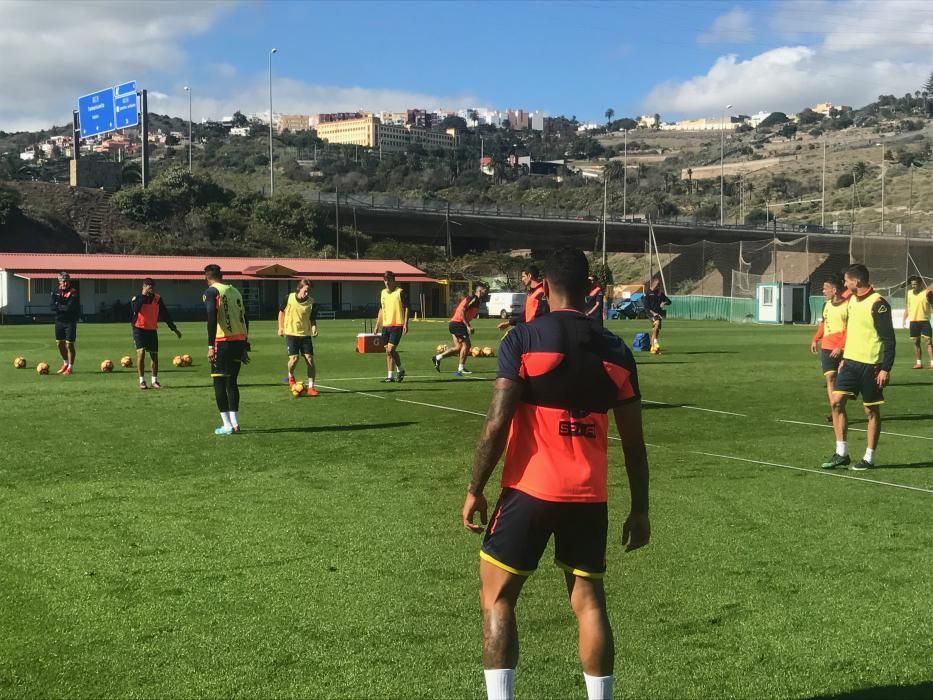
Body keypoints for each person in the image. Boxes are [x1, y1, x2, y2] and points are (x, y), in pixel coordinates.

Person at [462, 247, 650, 700]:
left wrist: (475, 488)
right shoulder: (618, 350)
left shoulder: (524, 339)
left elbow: (497, 420)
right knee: (589, 604)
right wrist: (640, 509)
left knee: (499, 597)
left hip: (530, 489)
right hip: (589, 495)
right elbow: (634, 443)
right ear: (590, 290)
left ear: (543, 288)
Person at [822, 264, 895, 471]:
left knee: (870, 411)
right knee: (836, 402)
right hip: (850, 363)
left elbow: (889, 340)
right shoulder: (852, 300)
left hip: (871, 366)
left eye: (846, 280)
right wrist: (844, 356)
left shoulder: (878, 304)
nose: (844, 284)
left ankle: (869, 457)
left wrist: (885, 368)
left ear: (857, 281)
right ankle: (841, 453)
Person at [203, 264, 249, 435]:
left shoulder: (212, 292)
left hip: (222, 342)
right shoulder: (234, 291)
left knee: (219, 383)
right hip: (238, 341)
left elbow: (211, 318)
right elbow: (244, 317)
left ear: (206, 277)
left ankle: (227, 425)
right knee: (232, 383)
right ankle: (235, 423)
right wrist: (244, 344)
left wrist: (210, 346)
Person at [130, 278, 182, 390]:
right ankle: (142, 381)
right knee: (141, 353)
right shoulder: (137, 299)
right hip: (139, 328)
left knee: (154, 355)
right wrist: (144, 296)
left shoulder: (157, 299)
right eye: (148, 286)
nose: (151, 288)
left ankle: (154, 381)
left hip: (151, 329)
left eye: (152, 286)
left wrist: (174, 329)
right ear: (143, 286)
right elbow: (135, 309)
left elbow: (165, 314)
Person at [809, 276, 848, 422]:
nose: (823, 291)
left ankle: (839, 406)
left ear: (835, 290)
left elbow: (851, 328)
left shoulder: (848, 305)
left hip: (844, 349)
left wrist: (841, 346)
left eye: (825, 288)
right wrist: (815, 338)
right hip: (827, 347)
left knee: (842, 381)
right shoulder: (826, 305)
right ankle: (835, 409)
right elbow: (824, 324)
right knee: (830, 378)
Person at [434, 282, 488, 377]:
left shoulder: (475, 300)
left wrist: (467, 324)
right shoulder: (473, 299)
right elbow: (462, 311)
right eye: (485, 290)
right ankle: (461, 369)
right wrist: (468, 326)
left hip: (455, 323)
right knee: (467, 345)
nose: (486, 292)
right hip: (458, 323)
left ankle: (438, 358)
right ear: (479, 291)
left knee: (458, 348)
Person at [278, 278, 319, 395]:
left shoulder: (311, 302)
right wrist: (280, 328)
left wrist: (314, 328)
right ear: (299, 288)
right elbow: (281, 312)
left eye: (308, 291)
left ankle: (311, 387)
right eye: (305, 290)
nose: (307, 293)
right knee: (294, 359)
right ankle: (290, 375)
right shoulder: (288, 298)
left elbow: (312, 319)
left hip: (305, 335)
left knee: (310, 360)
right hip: (291, 333)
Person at [373, 271, 409, 383]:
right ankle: (390, 376)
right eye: (385, 280)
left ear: (394, 281)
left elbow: (407, 308)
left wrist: (406, 324)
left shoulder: (400, 292)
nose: (387, 282)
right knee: (388, 352)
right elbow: (381, 310)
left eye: (389, 280)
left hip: (397, 325)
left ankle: (399, 369)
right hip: (386, 325)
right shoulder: (382, 293)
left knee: (391, 349)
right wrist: (377, 325)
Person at [496, 265, 548, 332]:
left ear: (529, 276)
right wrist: (509, 323)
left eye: (523, 276)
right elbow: (525, 315)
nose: (522, 279)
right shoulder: (532, 293)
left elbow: (543, 316)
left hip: (537, 333)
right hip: (531, 331)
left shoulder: (541, 293)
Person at [50, 271, 80, 375]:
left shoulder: (74, 292)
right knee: (59, 344)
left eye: (67, 281)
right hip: (59, 321)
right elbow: (51, 306)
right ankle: (65, 363)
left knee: (69, 345)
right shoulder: (55, 291)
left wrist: (59, 306)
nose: (65, 283)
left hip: (70, 322)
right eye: (63, 281)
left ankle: (70, 367)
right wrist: (61, 307)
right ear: (59, 282)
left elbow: (70, 308)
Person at [903, 275, 933, 369]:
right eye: (912, 284)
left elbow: (932, 306)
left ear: (920, 284)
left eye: (915, 284)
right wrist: (904, 319)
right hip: (913, 321)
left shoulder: (927, 293)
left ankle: (932, 363)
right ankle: (919, 363)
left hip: (924, 321)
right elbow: (908, 307)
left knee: (928, 342)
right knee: (916, 342)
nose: (913, 286)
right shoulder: (909, 293)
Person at [642, 278, 671, 351]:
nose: (659, 287)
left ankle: (652, 347)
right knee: (657, 323)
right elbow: (647, 307)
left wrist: (664, 302)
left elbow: (669, 301)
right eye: (658, 285)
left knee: (656, 330)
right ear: (654, 284)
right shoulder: (647, 293)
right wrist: (654, 313)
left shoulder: (660, 293)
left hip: (658, 313)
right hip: (651, 313)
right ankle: (655, 342)